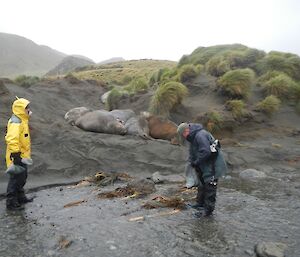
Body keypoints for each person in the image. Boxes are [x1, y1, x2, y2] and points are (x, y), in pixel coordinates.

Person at [177, 122, 227, 217]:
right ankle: (200, 204)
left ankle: (208, 211)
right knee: (202, 183)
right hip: (203, 164)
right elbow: (192, 152)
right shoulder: (192, 137)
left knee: (210, 185)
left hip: (212, 164)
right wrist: (192, 162)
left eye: (183, 134)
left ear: (186, 130)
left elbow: (206, 151)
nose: (183, 137)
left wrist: (196, 162)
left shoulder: (200, 135)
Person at [5, 97, 33, 210]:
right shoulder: (16, 122)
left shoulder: (22, 120)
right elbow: (12, 139)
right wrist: (15, 155)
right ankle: (11, 203)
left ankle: (21, 197)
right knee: (15, 179)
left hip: (22, 156)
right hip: (16, 156)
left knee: (22, 177)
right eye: (27, 108)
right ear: (21, 109)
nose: (29, 110)